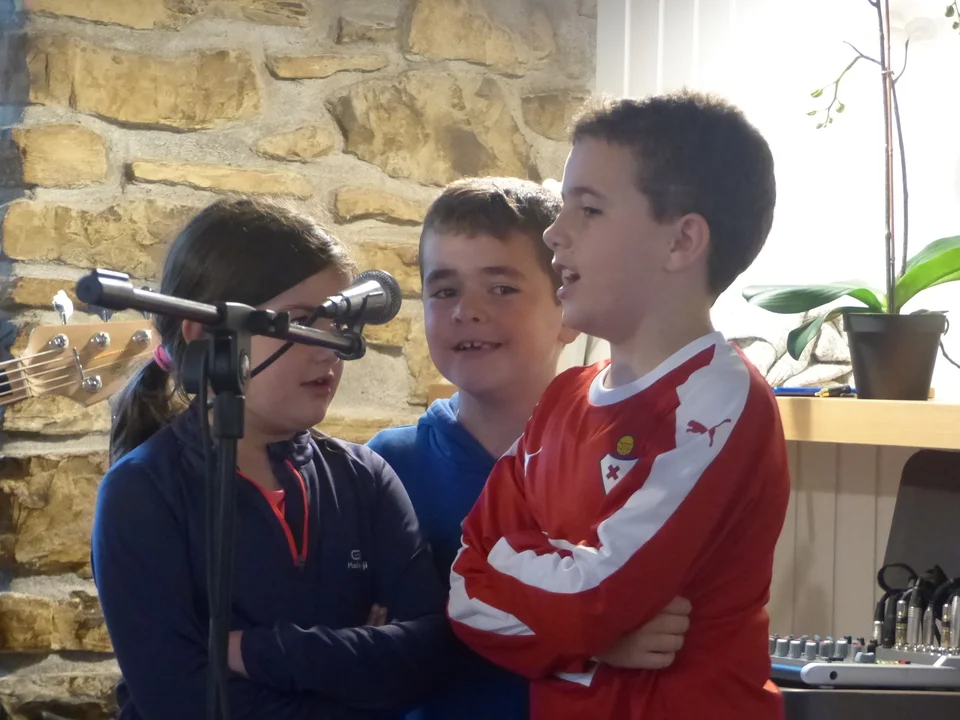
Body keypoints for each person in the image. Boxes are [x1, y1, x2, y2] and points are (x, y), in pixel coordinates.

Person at [446, 92, 791, 720]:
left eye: (589, 209)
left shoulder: (719, 397)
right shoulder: (562, 399)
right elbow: (466, 592)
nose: (554, 233)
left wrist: (514, 569)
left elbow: (594, 595)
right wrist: (593, 645)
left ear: (681, 241)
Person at [92, 198, 452, 720]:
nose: (328, 350)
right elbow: (183, 701)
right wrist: (355, 660)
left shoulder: (365, 477)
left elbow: (427, 654)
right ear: (206, 335)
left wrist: (252, 651)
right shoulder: (143, 491)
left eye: (337, 324)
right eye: (300, 322)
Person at [368, 177, 693, 720]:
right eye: (444, 290)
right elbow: (386, 641)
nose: (468, 311)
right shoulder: (382, 468)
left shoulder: (629, 460)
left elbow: (664, 625)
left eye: (501, 288)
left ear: (568, 311)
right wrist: (588, 637)